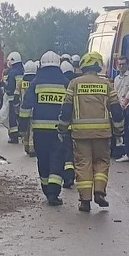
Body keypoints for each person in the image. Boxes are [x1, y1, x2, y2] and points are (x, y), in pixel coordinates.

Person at [58, 52, 125, 213]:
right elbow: (116, 110)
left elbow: (66, 109)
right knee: (101, 162)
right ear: (98, 66)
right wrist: (119, 129)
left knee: (83, 165)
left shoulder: (74, 84)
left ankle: (85, 201)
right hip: (103, 133)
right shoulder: (107, 85)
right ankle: (100, 191)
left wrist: (62, 128)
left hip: (80, 135)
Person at [22, 52, 69, 206]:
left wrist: (22, 128)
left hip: (40, 131)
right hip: (59, 131)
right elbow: (70, 107)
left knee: (43, 160)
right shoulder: (65, 82)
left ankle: (46, 187)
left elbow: (26, 105)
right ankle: (53, 193)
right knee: (57, 159)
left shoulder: (36, 82)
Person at [58, 59, 78, 187]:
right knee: (72, 151)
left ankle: (66, 177)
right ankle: (71, 176)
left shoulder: (61, 83)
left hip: (64, 123)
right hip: (75, 124)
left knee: (63, 152)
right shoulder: (75, 83)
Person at [4, 52, 25, 144]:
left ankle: (14, 137)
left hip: (13, 98)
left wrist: (5, 87)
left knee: (12, 118)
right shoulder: (23, 71)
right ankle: (22, 135)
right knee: (20, 117)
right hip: (22, 98)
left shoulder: (12, 73)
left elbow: (10, 87)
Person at [18, 60, 38, 157]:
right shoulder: (36, 81)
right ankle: (32, 148)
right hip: (34, 109)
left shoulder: (21, 81)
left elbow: (16, 95)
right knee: (32, 130)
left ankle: (26, 147)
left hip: (23, 108)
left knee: (26, 129)